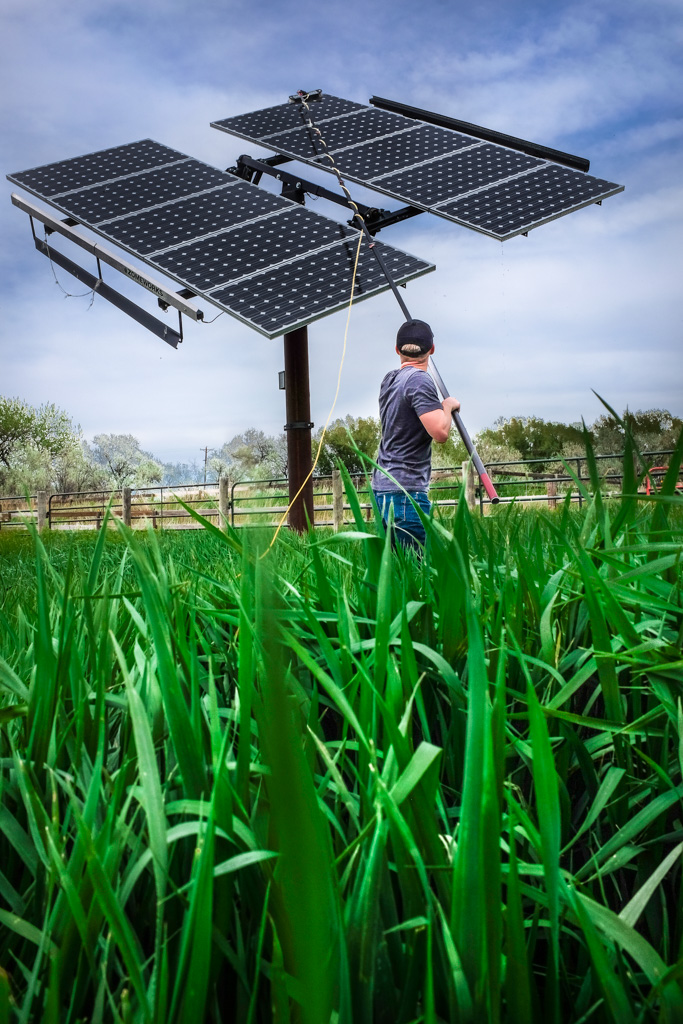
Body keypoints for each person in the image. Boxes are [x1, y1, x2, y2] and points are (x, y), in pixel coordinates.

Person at [371, 319, 461, 550]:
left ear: (396, 350)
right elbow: (439, 432)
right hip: (406, 491)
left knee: (395, 573)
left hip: (382, 488)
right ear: (432, 349)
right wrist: (448, 407)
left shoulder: (390, 379)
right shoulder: (419, 381)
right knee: (415, 573)